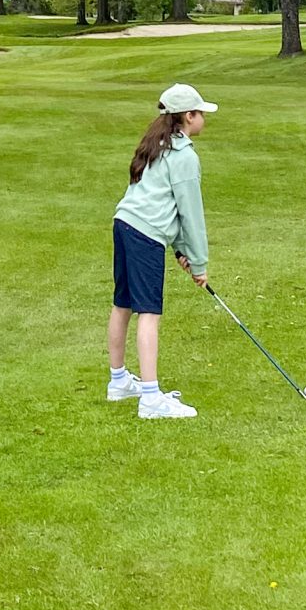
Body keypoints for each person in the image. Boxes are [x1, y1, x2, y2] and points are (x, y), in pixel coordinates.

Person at [107, 83, 215, 421]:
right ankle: (151, 398)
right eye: (200, 113)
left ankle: (119, 381)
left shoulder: (157, 144)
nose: (204, 119)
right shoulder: (185, 156)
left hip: (124, 224)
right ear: (188, 116)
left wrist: (180, 249)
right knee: (148, 313)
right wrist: (198, 263)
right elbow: (190, 214)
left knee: (123, 304)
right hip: (144, 235)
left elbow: (166, 207)